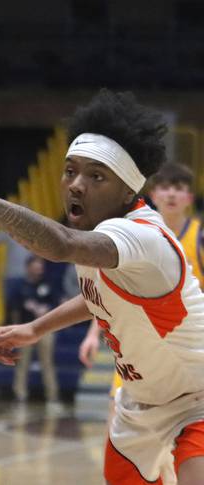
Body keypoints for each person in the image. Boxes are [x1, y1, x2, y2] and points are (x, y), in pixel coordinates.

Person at [0, 89, 204, 484]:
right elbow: (98, 296)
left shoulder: (142, 235)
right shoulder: (99, 238)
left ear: (128, 191)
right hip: (142, 400)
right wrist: (35, 328)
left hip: (198, 395)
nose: (76, 185)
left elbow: (60, 246)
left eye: (95, 176)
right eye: (70, 171)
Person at [78, 161, 204, 423]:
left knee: (183, 438)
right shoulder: (133, 235)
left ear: (189, 198)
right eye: (165, 188)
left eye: (178, 188)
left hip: (186, 344)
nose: (171, 194)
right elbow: (108, 288)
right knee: (118, 421)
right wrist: (92, 334)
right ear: (154, 195)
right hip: (137, 344)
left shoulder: (199, 236)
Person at [6, 255, 61, 407]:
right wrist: (16, 328)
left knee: (47, 362)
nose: (39, 270)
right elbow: (13, 309)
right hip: (25, 327)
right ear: (28, 267)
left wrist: (46, 309)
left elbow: (58, 305)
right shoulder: (20, 286)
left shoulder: (48, 284)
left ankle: (52, 396)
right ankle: (20, 395)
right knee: (22, 362)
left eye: (41, 267)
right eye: (36, 267)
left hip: (46, 329)